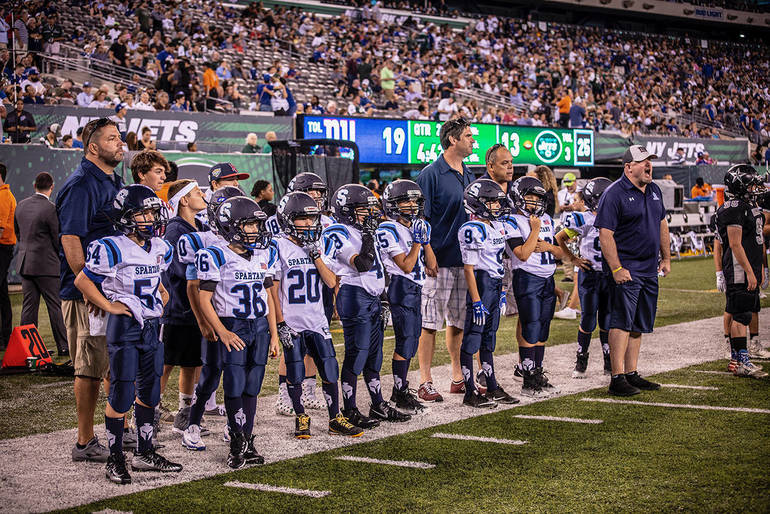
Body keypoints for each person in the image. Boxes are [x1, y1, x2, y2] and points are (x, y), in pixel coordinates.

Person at [74, 184, 182, 484]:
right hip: (125, 326)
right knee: (122, 392)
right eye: (142, 213)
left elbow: (158, 282)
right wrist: (108, 304)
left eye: (151, 212)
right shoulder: (110, 246)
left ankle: (145, 453)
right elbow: (83, 281)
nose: (149, 218)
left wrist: (162, 293)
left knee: (150, 392)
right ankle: (116, 458)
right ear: (125, 216)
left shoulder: (160, 247)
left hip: (152, 326)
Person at [194, 196, 279, 469]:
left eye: (256, 224)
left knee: (252, 386)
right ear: (231, 226)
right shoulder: (215, 254)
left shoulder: (264, 253)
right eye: (249, 224)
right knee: (234, 385)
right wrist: (221, 331)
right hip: (233, 324)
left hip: (260, 326)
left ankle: (247, 439)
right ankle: (236, 441)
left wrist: (274, 335)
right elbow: (204, 299)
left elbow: (268, 297)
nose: (255, 229)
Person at [56, 118, 124, 463]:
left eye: (120, 137)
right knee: (89, 365)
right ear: (93, 146)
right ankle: (85, 441)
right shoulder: (82, 183)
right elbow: (71, 237)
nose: (120, 142)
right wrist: (87, 284)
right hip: (89, 292)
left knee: (115, 363)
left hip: (115, 288)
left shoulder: (116, 180)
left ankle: (116, 430)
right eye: (112, 138)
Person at [270, 192, 363, 438]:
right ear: (288, 219)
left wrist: (316, 256)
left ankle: (335, 418)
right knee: (295, 372)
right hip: (292, 320)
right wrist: (279, 324)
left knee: (330, 369)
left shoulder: (319, 245)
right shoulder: (278, 245)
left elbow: (332, 281)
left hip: (317, 319)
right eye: (303, 218)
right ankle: (301, 416)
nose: (310, 224)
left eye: (313, 219)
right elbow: (274, 290)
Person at [323, 184, 411, 428]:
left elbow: (379, 269)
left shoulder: (367, 230)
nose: (370, 214)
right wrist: (368, 235)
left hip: (372, 297)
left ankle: (378, 403)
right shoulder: (338, 231)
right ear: (347, 211)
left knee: (375, 356)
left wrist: (383, 299)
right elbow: (362, 263)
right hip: (354, 295)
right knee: (357, 354)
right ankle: (349, 409)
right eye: (363, 209)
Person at [595, 145, 671, 396]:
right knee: (621, 322)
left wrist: (666, 258)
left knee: (639, 324)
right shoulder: (613, 193)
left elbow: (662, 225)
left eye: (650, 160)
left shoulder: (655, 190)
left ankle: (631, 372)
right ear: (628, 167)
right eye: (643, 161)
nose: (649, 165)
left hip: (648, 269)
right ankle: (616, 377)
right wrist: (616, 268)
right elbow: (605, 235)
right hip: (627, 269)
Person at [179, 186, 245, 450]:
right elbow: (192, 286)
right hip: (216, 316)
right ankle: (192, 423)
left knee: (237, 374)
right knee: (211, 372)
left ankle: (234, 424)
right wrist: (203, 321)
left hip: (240, 316)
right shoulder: (203, 240)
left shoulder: (247, 240)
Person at [415, 117, 474, 402]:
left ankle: (457, 376)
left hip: (463, 261)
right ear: (453, 140)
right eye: (468, 135)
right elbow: (420, 220)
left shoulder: (469, 174)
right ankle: (424, 381)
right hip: (437, 260)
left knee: (459, 323)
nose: (473, 140)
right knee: (429, 323)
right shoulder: (431, 174)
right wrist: (427, 253)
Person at [457, 179, 519, 408]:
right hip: (481, 285)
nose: (496, 205)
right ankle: (469, 391)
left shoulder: (497, 225)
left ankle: (491, 386)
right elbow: (469, 269)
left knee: (488, 338)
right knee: (473, 337)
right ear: (477, 203)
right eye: (491, 201)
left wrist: (502, 291)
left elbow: (500, 260)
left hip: (493, 284)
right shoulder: (471, 229)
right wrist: (475, 300)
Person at [376, 180, 436, 413]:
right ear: (393, 205)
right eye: (405, 201)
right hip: (400, 286)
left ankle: (400, 389)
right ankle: (400, 392)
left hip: (415, 288)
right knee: (405, 341)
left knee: (412, 340)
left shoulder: (414, 227)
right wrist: (418, 243)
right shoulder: (387, 228)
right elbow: (406, 265)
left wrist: (427, 242)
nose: (411, 205)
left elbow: (432, 266)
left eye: (414, 201)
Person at [160, 179, 210, 432]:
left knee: (192, 362)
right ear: (184, 200)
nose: (202, 195)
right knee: (165, 363)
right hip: (178, 305)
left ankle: (185, 412)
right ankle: (149, 410)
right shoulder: (174, 230)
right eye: (197, 192)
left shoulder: (200, 226)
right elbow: (179, 269)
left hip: (196, 306)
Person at [508, 176, 564, 397]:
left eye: (538, 197)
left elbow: (560, 253)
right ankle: (528, 380)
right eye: (530, 197)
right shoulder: (513, 221)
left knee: (542, 329)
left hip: (548, 278)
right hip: (527, 278)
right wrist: (534, 231)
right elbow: (521, 254)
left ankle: (537, 373)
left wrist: (549, 247)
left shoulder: (547, 219)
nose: (534, 202)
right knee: (530, 327)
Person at [555, 178, 613, 378]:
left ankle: (609, 359)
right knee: (588, 317)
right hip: (589, 274)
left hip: (609, 273)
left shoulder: (616, 217)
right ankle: (582, 359)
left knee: (607, 318)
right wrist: (573, 259)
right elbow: (560, 238)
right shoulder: (583, 218)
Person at [713, 166, 768, 378]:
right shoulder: (733, 208)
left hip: (747, 268)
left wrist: (760, 268)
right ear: (741, 185)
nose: (756, 187)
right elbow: (735, 244)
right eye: (752, 183)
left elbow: (756, 241)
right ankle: (743, 361)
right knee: (741, 314)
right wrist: (749, 272)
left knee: (745, 311)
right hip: (738, 269)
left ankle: (737, 361)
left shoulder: (747, 206)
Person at [13, 172, 68, 355]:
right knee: (55, 306)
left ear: (34, 185)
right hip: (47, 265)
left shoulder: (20, 205)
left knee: (29, 307)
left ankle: (29, 349)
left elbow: (18, 234)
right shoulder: (51, 208)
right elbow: (56, 238)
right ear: (51, 187)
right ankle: (64, 346)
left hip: (25, 263)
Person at [0, 163, 15, 349]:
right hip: (4, 247)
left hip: (3, 247)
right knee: (2, 292)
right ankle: (4, 336)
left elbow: (1, 227)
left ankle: (4, 336)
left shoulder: (3, 195)